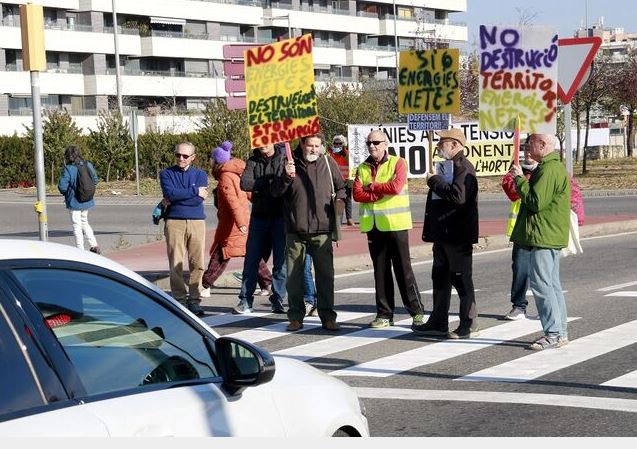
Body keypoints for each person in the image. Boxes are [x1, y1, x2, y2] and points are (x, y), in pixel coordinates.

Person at [502, 141, 585, 321]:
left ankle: (551, 322)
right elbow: (512, 192)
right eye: (525, 149)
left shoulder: (549, 170)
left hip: (543, 231)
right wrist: (518, 177)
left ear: (541, 148)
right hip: (524, 230)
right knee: (521, 268)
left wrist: (577, 218)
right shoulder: (518, 171)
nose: (528, 154)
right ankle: (520, 306)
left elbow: (571, 193)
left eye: (530, 149)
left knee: (545, 279)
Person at [352, 129, 425, 329]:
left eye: (376, 142)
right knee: (381, 271)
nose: (372, 146)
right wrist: (376, 192)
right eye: (369, 143)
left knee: (404, 270)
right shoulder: (362, 167)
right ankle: (384, 314)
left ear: (385, 143)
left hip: (396, 225)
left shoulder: (398, 162)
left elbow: (396, 187)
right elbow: (357, 194)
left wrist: (373, 187)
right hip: (373, 226)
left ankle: (417, 312)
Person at [272, 133, 345, 331]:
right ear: (301, 143)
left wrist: (340, 201)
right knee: (294, 277)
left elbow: (341, 188)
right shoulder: (288, 162)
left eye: (317, 145)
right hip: (295, 230)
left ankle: (327, 316)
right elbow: (276, 192)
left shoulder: (328, 163)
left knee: (325, 275)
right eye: (310, 145)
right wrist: (286, 177)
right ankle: (295, 316)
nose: (313, 149)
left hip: (323, 229)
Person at [414, 128, 479, 339]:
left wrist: (434, 181)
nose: (438, 145)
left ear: (454, 144)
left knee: (460, 278)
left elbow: (459, 197)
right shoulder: (447, 166)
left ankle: (468, 324)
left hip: (457, 235)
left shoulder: (463, 167)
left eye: (442, 142)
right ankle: (438, 321)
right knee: (440, 277)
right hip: (443, 233)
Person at [509, 133, 571, 350]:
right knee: (552, 284)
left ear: (543, 145)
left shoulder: (549, 169)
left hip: (544, 234)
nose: (526, 148)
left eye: (530, 144)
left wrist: (518, 179)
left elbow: (536, 202)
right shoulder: (550, 167)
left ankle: (553, 333)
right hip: (548, 233)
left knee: (542, 284)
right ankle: (560, 332)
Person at [201, 141, 273, 292]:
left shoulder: (225, 177)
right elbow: (248, 193)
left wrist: (240, 223)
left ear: (216, 161)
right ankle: (267, 284)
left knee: (222, 254)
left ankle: (205, 285)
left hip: (233, 223)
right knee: (251, 254)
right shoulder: (236, 173)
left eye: (212, 159)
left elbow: (232, 201)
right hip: (240, 220)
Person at [235, 143, 287, 314]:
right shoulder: (252, 160)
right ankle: (245, 300)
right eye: (259, 141)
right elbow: (245, 183)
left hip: (281, 218)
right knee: (251, 260)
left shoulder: (284, 158)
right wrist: (269, 184)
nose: (263, 145)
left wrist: (261, 186)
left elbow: (284, 184)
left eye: (267, 140)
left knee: (281, 263)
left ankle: (277, 298)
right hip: (259, 218)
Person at [159, 142, 208, 317]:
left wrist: (182, 195)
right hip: (174, 222)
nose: (181, 158)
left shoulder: (201, 174)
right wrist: (194, 191)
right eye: (178, 155)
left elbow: (197, 201)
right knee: (176, 264)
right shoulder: (166, 173)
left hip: (196, 222)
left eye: (185, 156)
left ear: (193, 158)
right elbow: (170, 194)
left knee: (197, 263)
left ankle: (194, 300)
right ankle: (179, 300)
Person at [58, 144, 100, 254]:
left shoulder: (68, 169)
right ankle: (94, 245)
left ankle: (80, 250)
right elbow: (95, 180)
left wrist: (67, 191)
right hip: (87, 199)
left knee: (76, 225)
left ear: (67, 156)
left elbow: (62, 187)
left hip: (74, 201)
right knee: (85, 222)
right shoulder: (87, 164)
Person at [327, 134, 354, 226]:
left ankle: (349, 218)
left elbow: (352, 164)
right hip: (334, 180)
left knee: (348, 199)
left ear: (343, 144)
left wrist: (351, 180)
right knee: (337, 199)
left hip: (347, 180)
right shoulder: (330, 153)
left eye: (339, 144)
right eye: (335, 143)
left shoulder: (347, 153)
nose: (337, 145)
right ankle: (338, 220)